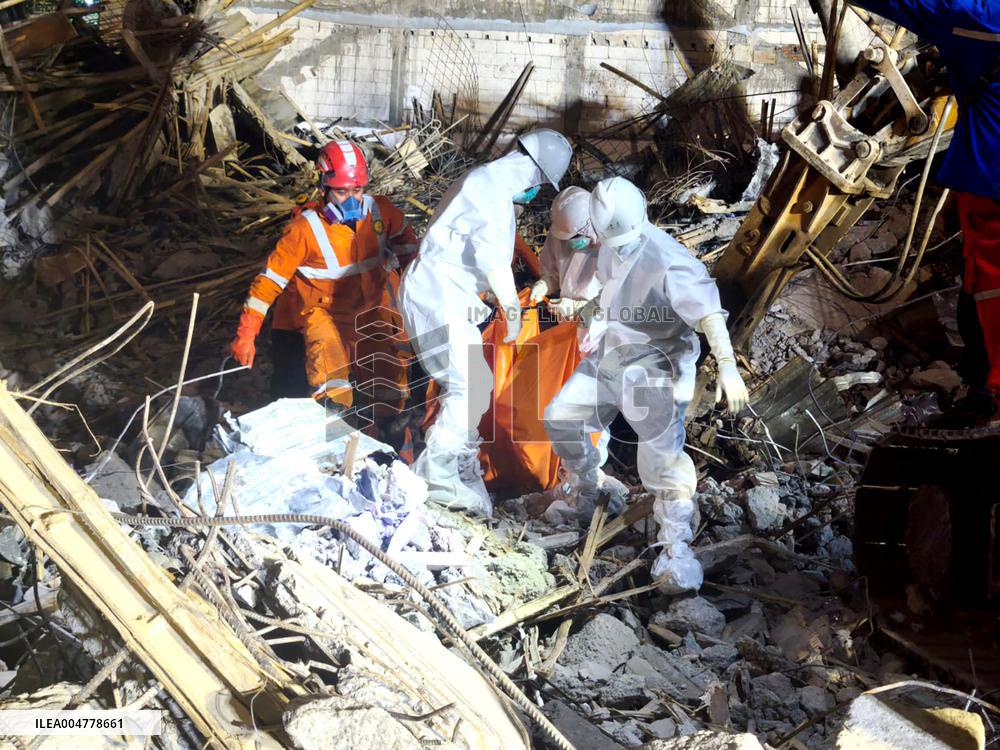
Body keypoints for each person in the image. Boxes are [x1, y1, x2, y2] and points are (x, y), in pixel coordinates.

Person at [544, 177, 748, 593]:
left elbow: (708, 313)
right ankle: (588, 493)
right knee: (562, 417)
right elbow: (611, 293)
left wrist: (727, 365)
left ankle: (676, 550)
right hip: (612, 354)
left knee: (661, 463)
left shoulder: (668, 260)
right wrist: (587, 312)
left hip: (657, 366)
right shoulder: (609, 243)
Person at [399, 128, 573, 514]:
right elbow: (494, 261)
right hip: (435, 292)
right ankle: (439, 475)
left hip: (445, 292)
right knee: (468, 384)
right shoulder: (492, 189)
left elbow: (474, 250)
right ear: (536, 175)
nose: (537, 194)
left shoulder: (489, 182)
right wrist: (511, 308)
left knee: (475, 383)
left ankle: (455, 466)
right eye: (541, 186)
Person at [849, 0, 1000, 418]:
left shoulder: (975, 16)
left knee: (991, 288)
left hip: (992, 180)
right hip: (985, 182)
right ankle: (980, 387)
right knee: (975, 287)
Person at [230, 140, 418, 436]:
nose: (352, 200)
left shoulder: (381, 213)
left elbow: (409, 248)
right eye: (342, 192)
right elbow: (268, 283)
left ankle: (390, 448)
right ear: (323, 188)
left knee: (389, 389)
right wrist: (246, 334)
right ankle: (333, 444)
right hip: (323, 315)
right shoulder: (304, 229)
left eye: (357, 190)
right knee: (332, 384)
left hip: (370, 312)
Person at [530, 186, 628, 516]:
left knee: (591, 414)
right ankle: (568, 474)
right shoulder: (563, 234)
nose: (572, 244)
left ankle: (587, 481)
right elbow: (553, 271)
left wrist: (579, 308)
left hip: (602, 335)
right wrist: (545, 284)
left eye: (577, 237)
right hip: (572, 334)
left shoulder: (616, 246)